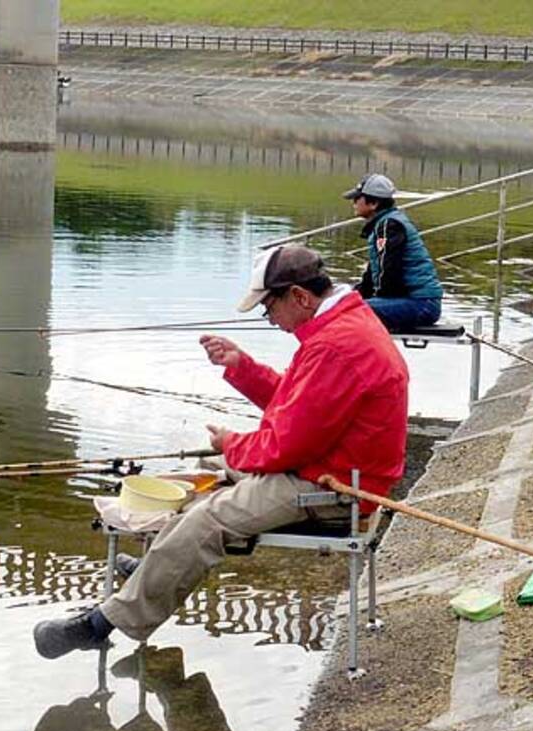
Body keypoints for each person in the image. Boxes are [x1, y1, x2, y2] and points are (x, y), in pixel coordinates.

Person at [33, 244, 409, 659]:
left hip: (334, 489)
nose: (271, 320)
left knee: (207, 518)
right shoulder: (341, 324)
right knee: (207, 470)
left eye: (269, 308)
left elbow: (284, 445)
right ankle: (156, 569)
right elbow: (300, 405)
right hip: (328, 465)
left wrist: (232, 443)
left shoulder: (335, 345)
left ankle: (103, 623)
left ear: (299, 296)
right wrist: (242, 367)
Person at [344, 173, 444, 332]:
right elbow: (372, 276)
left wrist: (358, 302)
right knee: (344, 304)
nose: (354, 202)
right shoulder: (384, 224)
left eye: (357, 198)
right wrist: (347, 296)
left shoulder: (389, 225)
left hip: (421, 303)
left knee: (347, 312)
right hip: (416, 302)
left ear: (374, 203)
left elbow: (389, 274)